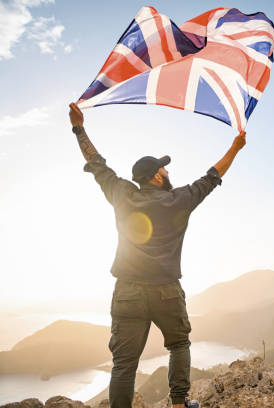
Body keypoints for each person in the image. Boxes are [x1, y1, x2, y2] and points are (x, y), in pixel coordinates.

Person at [68, 103, 246, 408]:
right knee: (179, 344)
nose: (167, 170)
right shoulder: (179, 200)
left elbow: (96, 162)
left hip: (128, 292)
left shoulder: (122, 194)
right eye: (163, 168)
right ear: (155, 177)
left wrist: (78, 128)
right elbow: (212, 176)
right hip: (166, 290)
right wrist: (236, 147)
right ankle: (179, 405)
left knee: (124, 363)